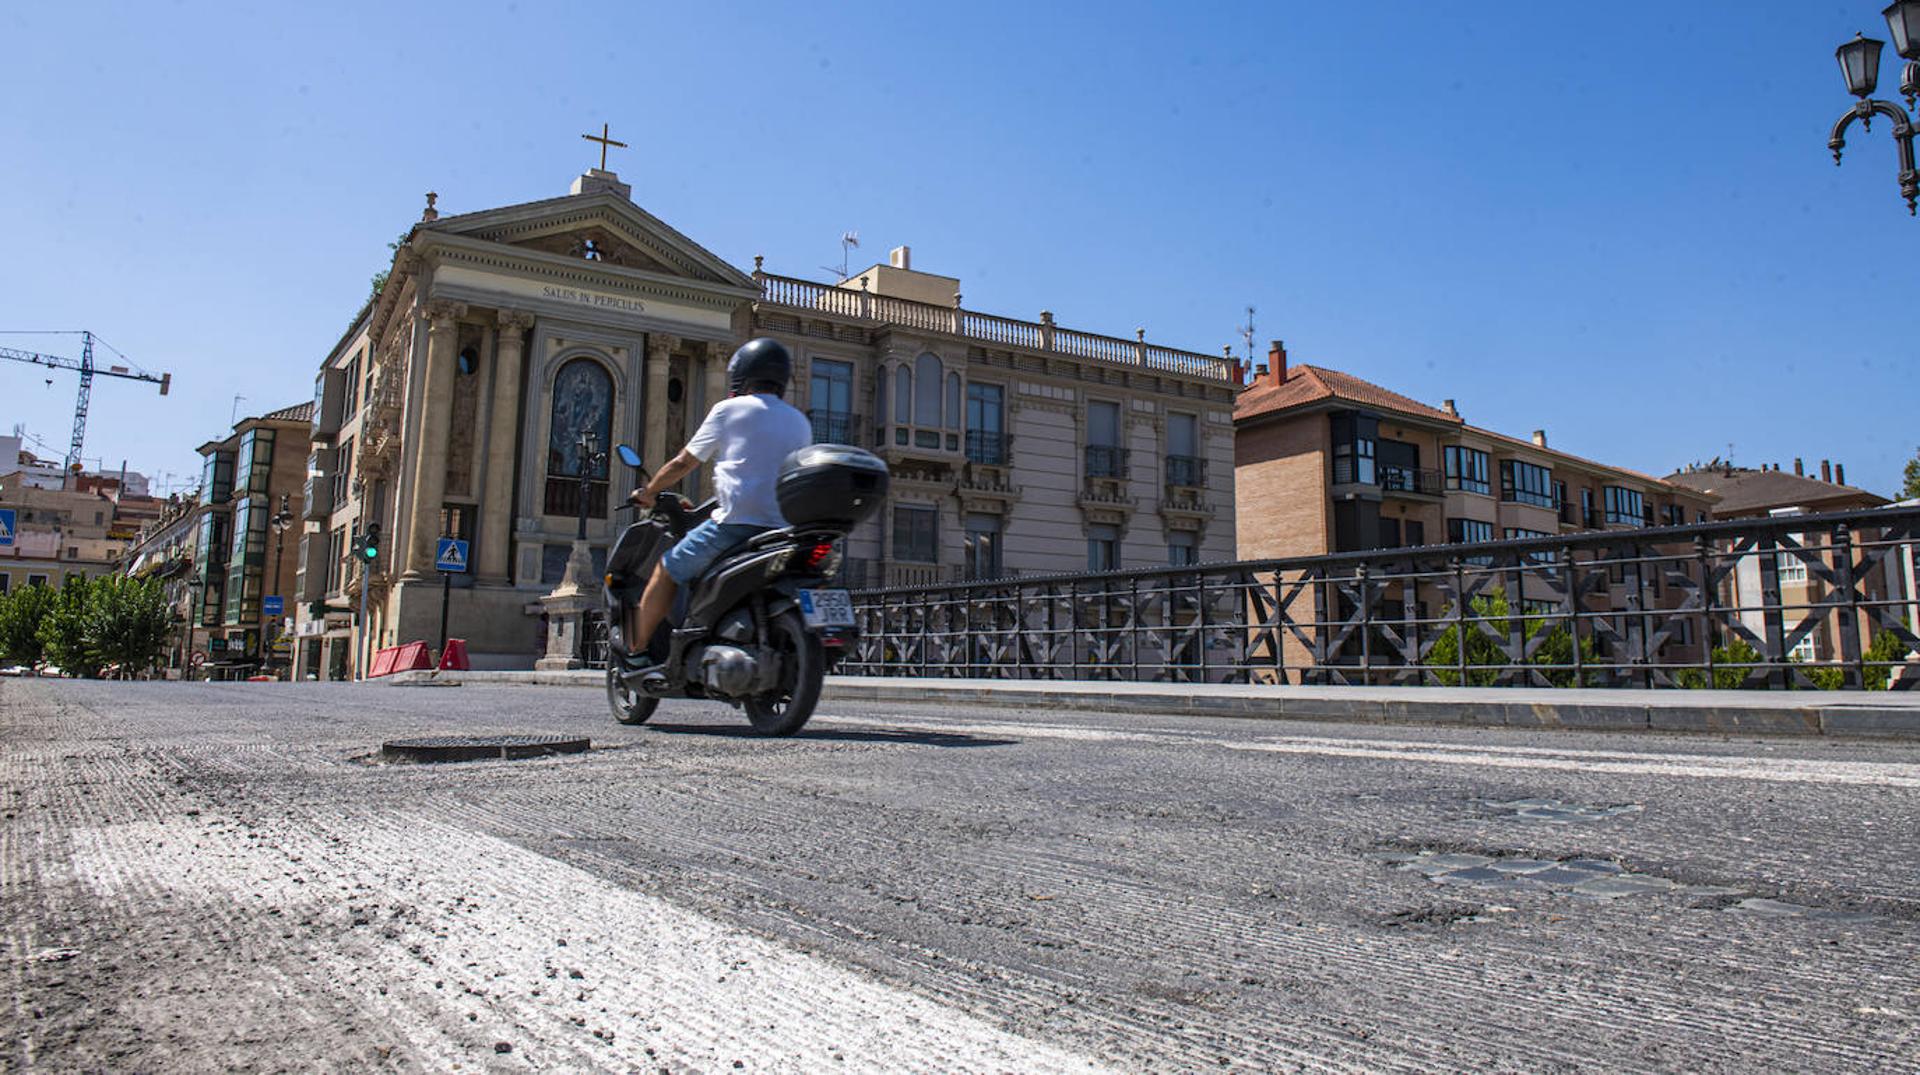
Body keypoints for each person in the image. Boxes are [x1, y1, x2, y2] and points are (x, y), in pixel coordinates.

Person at [624, 337, 812, 662]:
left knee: (666, 570)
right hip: (783, 531)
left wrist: (650, 492)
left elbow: (683, 463)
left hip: (736, 527)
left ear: (742, 376)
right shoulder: (799, 420)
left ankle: (636, 650)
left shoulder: (727, 410)